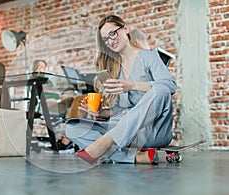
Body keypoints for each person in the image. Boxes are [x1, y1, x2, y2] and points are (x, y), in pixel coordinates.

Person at [65, 15, 177, 164]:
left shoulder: (149, 56)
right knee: (72, 128)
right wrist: (102, 113)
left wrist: (132, 85)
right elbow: (121, 110)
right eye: (106, 39)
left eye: (113, 34)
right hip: (125, 132)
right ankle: (134, 157)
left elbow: (170, 86)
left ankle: (107, 142)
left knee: (161, 90)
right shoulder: (115, 67)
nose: (110, 41)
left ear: (125, 29)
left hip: (151, 132)